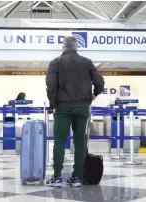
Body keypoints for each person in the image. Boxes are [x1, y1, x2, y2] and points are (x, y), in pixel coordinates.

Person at [45, 36, 105, 187]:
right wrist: (94, 95)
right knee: (80, 142)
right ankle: (77, 177)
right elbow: (100, 82)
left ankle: (57, 177)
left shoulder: (56, 62)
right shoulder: (87, 62)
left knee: (59, 141)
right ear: (77, 47)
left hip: (63, 108)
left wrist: (53, 104)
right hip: (83, 108)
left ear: (63, 47)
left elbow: (51, 84)